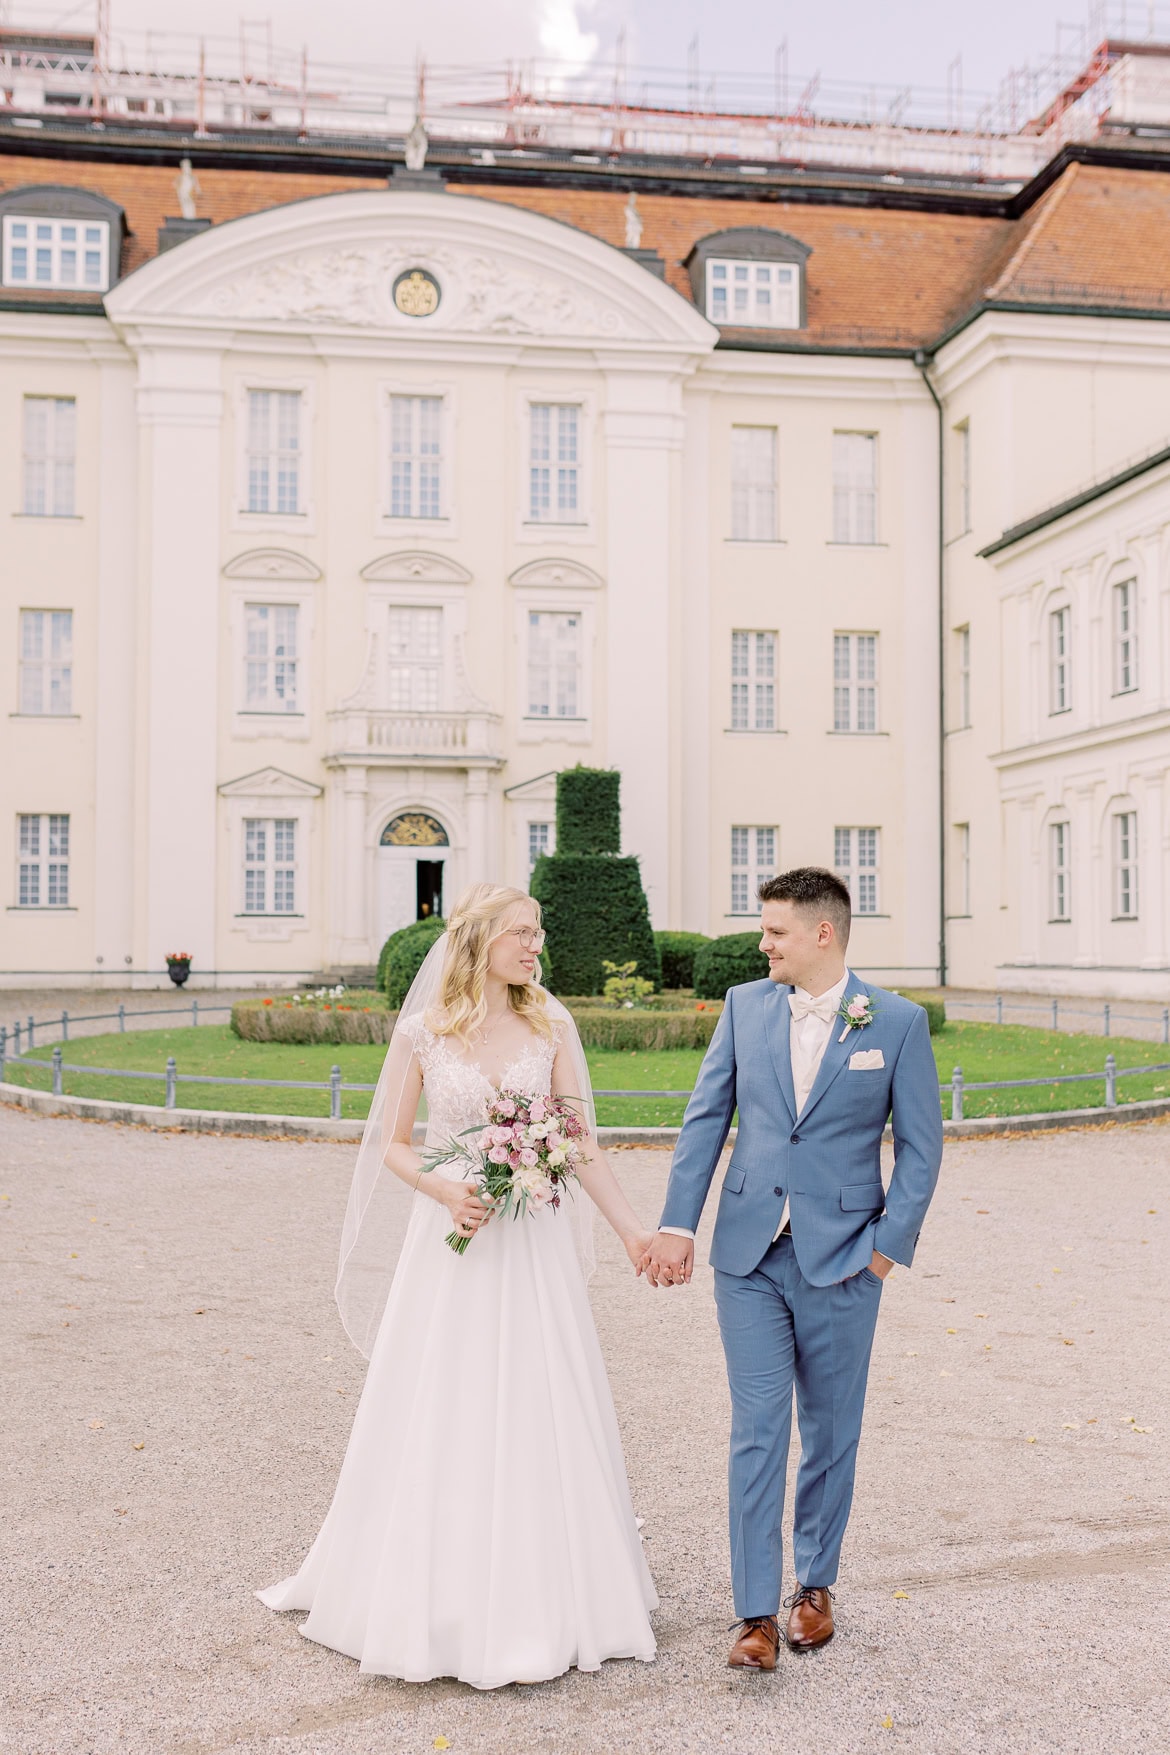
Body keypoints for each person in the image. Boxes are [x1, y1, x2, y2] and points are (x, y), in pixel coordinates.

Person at [258, 883, 658, 1689]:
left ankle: (553, 1588)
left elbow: (579, 1140)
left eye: (538, 934)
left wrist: (632, 1231)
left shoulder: (551, 1025)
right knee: (445, 1398)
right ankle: (429, 1586)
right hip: (452, 1242)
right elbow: (394, 1144)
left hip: (532, 1243)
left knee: (541, 1398)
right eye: (522, 933)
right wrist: (445, 1188)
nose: (536, 947)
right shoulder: (423, 1032)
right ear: (479, 940)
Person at [639, 867, 942, 1669]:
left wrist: (885, 1248)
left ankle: (814, 1586)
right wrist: (678, 1222)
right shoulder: (744, 1007)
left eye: (774, 930)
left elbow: (920, 1146)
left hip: (845, 1260)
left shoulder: (898, 1023)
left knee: (832, 1431)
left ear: (822, 934)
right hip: (748, 1255)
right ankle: (753, 1615)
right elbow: (706, 1117)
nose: (761, 942)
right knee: (759, 1428)